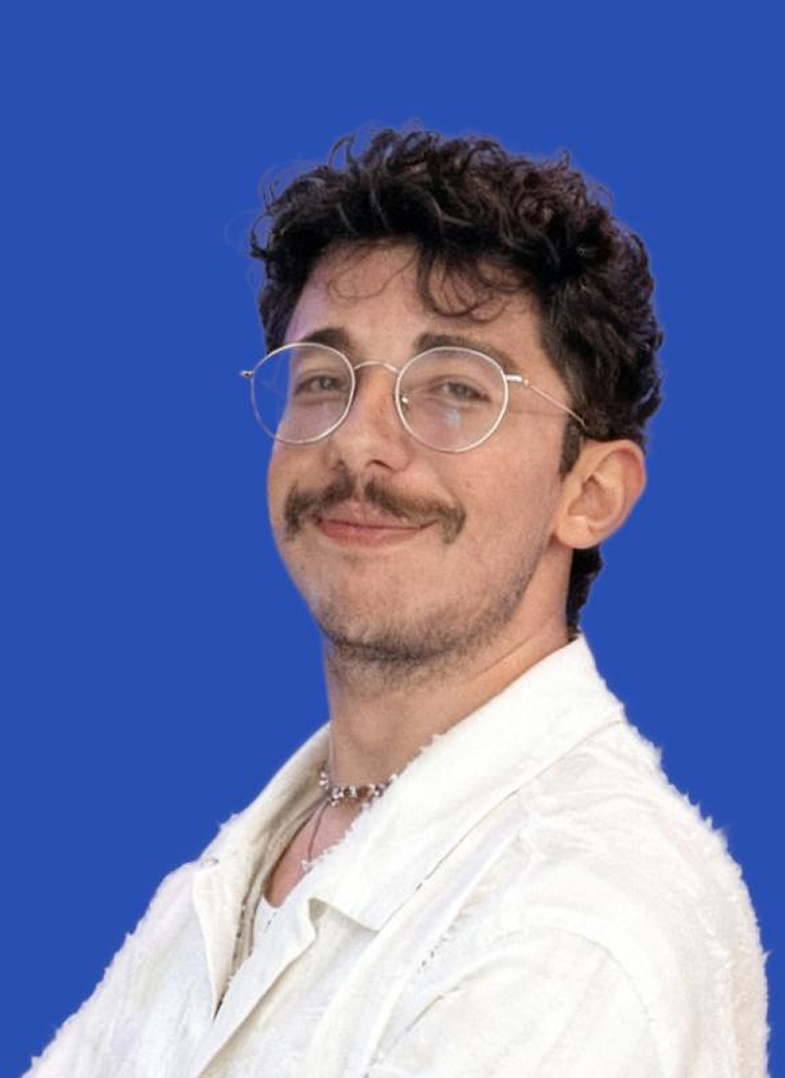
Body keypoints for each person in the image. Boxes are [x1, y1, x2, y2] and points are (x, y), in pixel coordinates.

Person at [25, 129, 769, 1077]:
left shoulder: (576, 933)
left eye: (455, 389)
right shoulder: (234, 879)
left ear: (589, 494)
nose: (356, 445)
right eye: (324, 381)